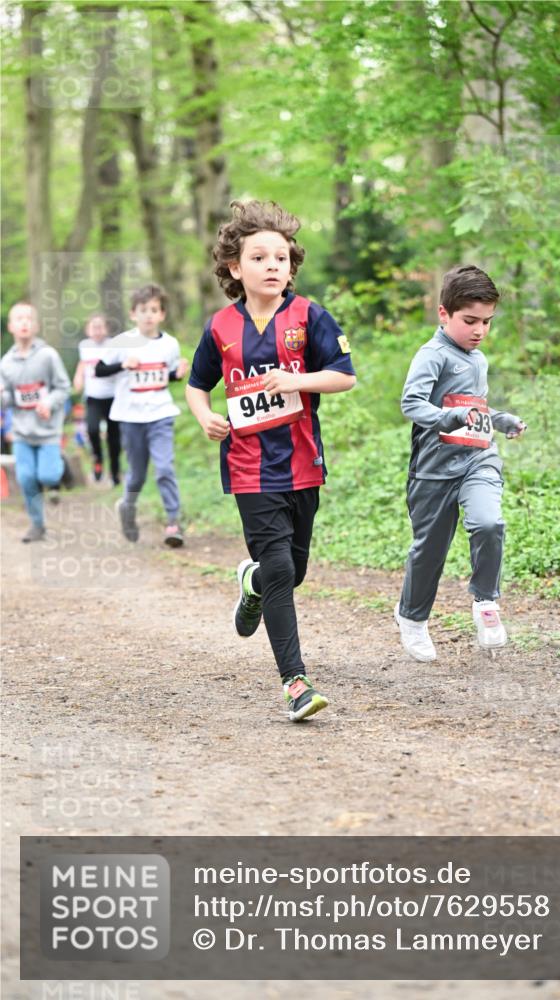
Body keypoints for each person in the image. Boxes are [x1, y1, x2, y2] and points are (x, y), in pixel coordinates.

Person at [186, 200, 356, 722]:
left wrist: (296, 380)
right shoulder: (220, 327)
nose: (273, 266)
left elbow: (344, 376)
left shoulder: (310, 317)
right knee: (281, 565)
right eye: (259, 257)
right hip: (248, 466)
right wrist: (204, 416)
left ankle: (253, 584)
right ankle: (295, 683)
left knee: (292, 570)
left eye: (281, 257)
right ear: (236, 268)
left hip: (303, 462)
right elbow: (197, 385)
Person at [394, 265, 527, 661]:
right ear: (443, 313)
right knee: (429, 551)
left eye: (487, 322)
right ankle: (412, 618)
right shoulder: (432, 355)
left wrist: (500, 421)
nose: (479, 330)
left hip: (477, 459)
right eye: (470, 321)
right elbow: (412, 404)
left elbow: (475, 408)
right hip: (434, 470)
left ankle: (486, 602)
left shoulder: (478, 359)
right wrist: (448, 417)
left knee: (489, 522)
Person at [94, 284, 189, 547]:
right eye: (143, 310)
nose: (149, 315)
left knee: (164, 468)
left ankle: (173, 522)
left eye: (154, 310)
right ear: (133, 314)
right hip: (130, 416)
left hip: (160, 414)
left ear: (162, 314)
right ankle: (128, 506)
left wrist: (177, 375)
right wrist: (123, 364)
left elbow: (164, 377)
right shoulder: (123, 342)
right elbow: (99, 371)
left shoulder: (170, 344)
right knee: (137, 475)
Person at [0, 302, 71, 542]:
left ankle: (60, 471)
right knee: (26, 479)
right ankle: (37, 525)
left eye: (29, 319)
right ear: (11, 326)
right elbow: (8, 400)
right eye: (18, 319)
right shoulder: (6, 364)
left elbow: (63, 387)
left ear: (36, 326)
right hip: (22, 432)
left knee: (49, 476)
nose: (24, 323)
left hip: (48, 430)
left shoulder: (48, 355)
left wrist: (48, 403)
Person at [73, 314, 121, 485]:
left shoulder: (113, 345)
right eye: (93, 327)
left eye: (100, 327)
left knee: (113, 438)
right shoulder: (84, 346)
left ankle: (115, 473)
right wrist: (78, 377)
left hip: (113, 397)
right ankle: (98, 460)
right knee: (92, 430)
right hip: (93, 397)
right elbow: (83, 363)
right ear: (87, 330)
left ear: (106, 329)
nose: (97, 331)